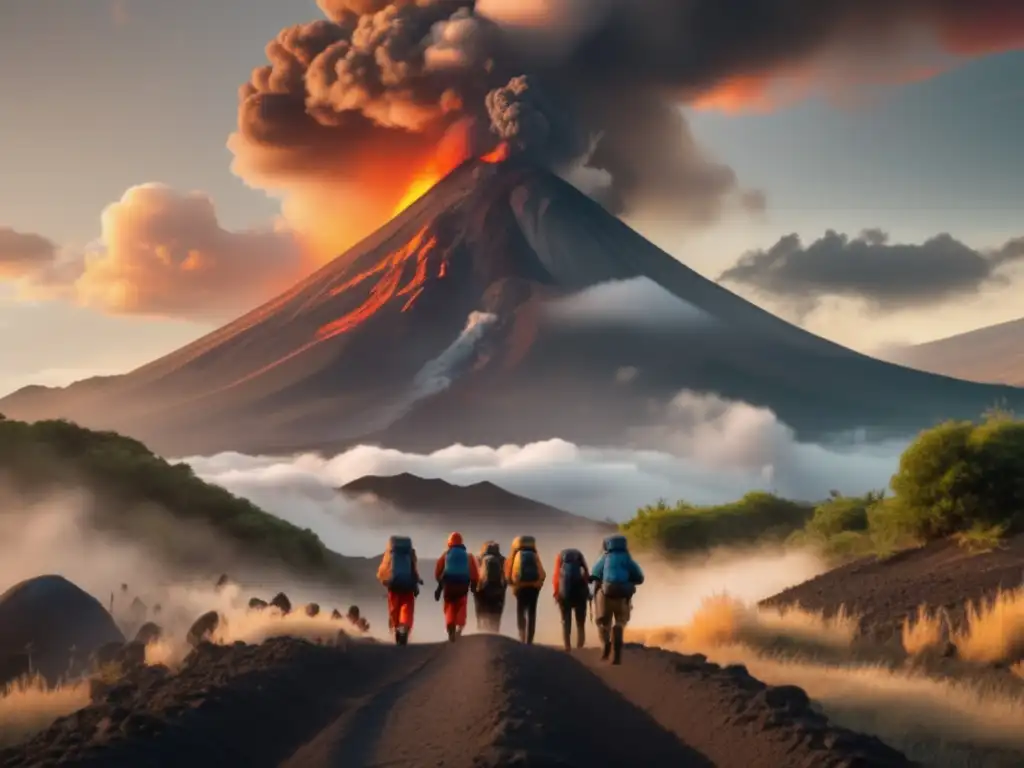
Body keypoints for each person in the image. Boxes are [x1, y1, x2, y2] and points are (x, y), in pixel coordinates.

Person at [589, 534, 644, 665]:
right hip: (623, 596)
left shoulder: (605, 558)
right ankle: (618, 635)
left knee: (603, 622)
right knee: (621, 620)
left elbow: (595, 574)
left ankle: (606, 644)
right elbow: (640, 577)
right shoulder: (628, 558)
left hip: (606, 595)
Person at [376, 535, 423, 645]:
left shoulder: (390, 554)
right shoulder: (411, 553)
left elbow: (382, 571)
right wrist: (417, 582)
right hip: (408, 586)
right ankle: (404, 627)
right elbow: (414, 569)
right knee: (407, 609)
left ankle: (395, 628)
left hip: (394, 587)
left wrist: (384, 580)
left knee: (394, 610)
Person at [434, 532, 479, 641]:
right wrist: (474, 585)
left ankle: (450, 625)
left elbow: (438, 571)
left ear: (449, 542)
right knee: (461, 605)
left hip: (449, 585)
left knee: (449, 606)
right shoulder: (468, 556)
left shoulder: (446, 555)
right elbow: (474, 572)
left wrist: (440, 584)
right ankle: (459, 626)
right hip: (463, 586)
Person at [504, 535, 546, 644]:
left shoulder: (515, 555)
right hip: (533, 588)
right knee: (532, 612)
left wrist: (512, 584)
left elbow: (508, 573)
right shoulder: (534, 555)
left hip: (520, 587)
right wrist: (538, 584)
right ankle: (530, 639)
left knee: (520, 611)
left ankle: (522, 636)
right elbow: (542, 573)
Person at [552, 547, 591, 651]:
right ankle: (580, 645)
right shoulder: (580, 556)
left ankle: (567, 645)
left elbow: (556, 576)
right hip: (579, 593)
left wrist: (556, 593)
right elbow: (587, 573)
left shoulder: (559, 557)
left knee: (566, 620)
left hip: (564, 594)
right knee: (580, 621)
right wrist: (586, 589)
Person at [473, 541, 507, 633]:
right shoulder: (502, 559)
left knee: (481, 611)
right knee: (496, 613)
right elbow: (506, 577)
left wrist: (475, 589)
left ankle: (480, 628)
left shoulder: (479, 559)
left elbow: (474, 575)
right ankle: (495, 630)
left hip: (482, 589)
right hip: (498, 590)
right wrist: (503, 589)